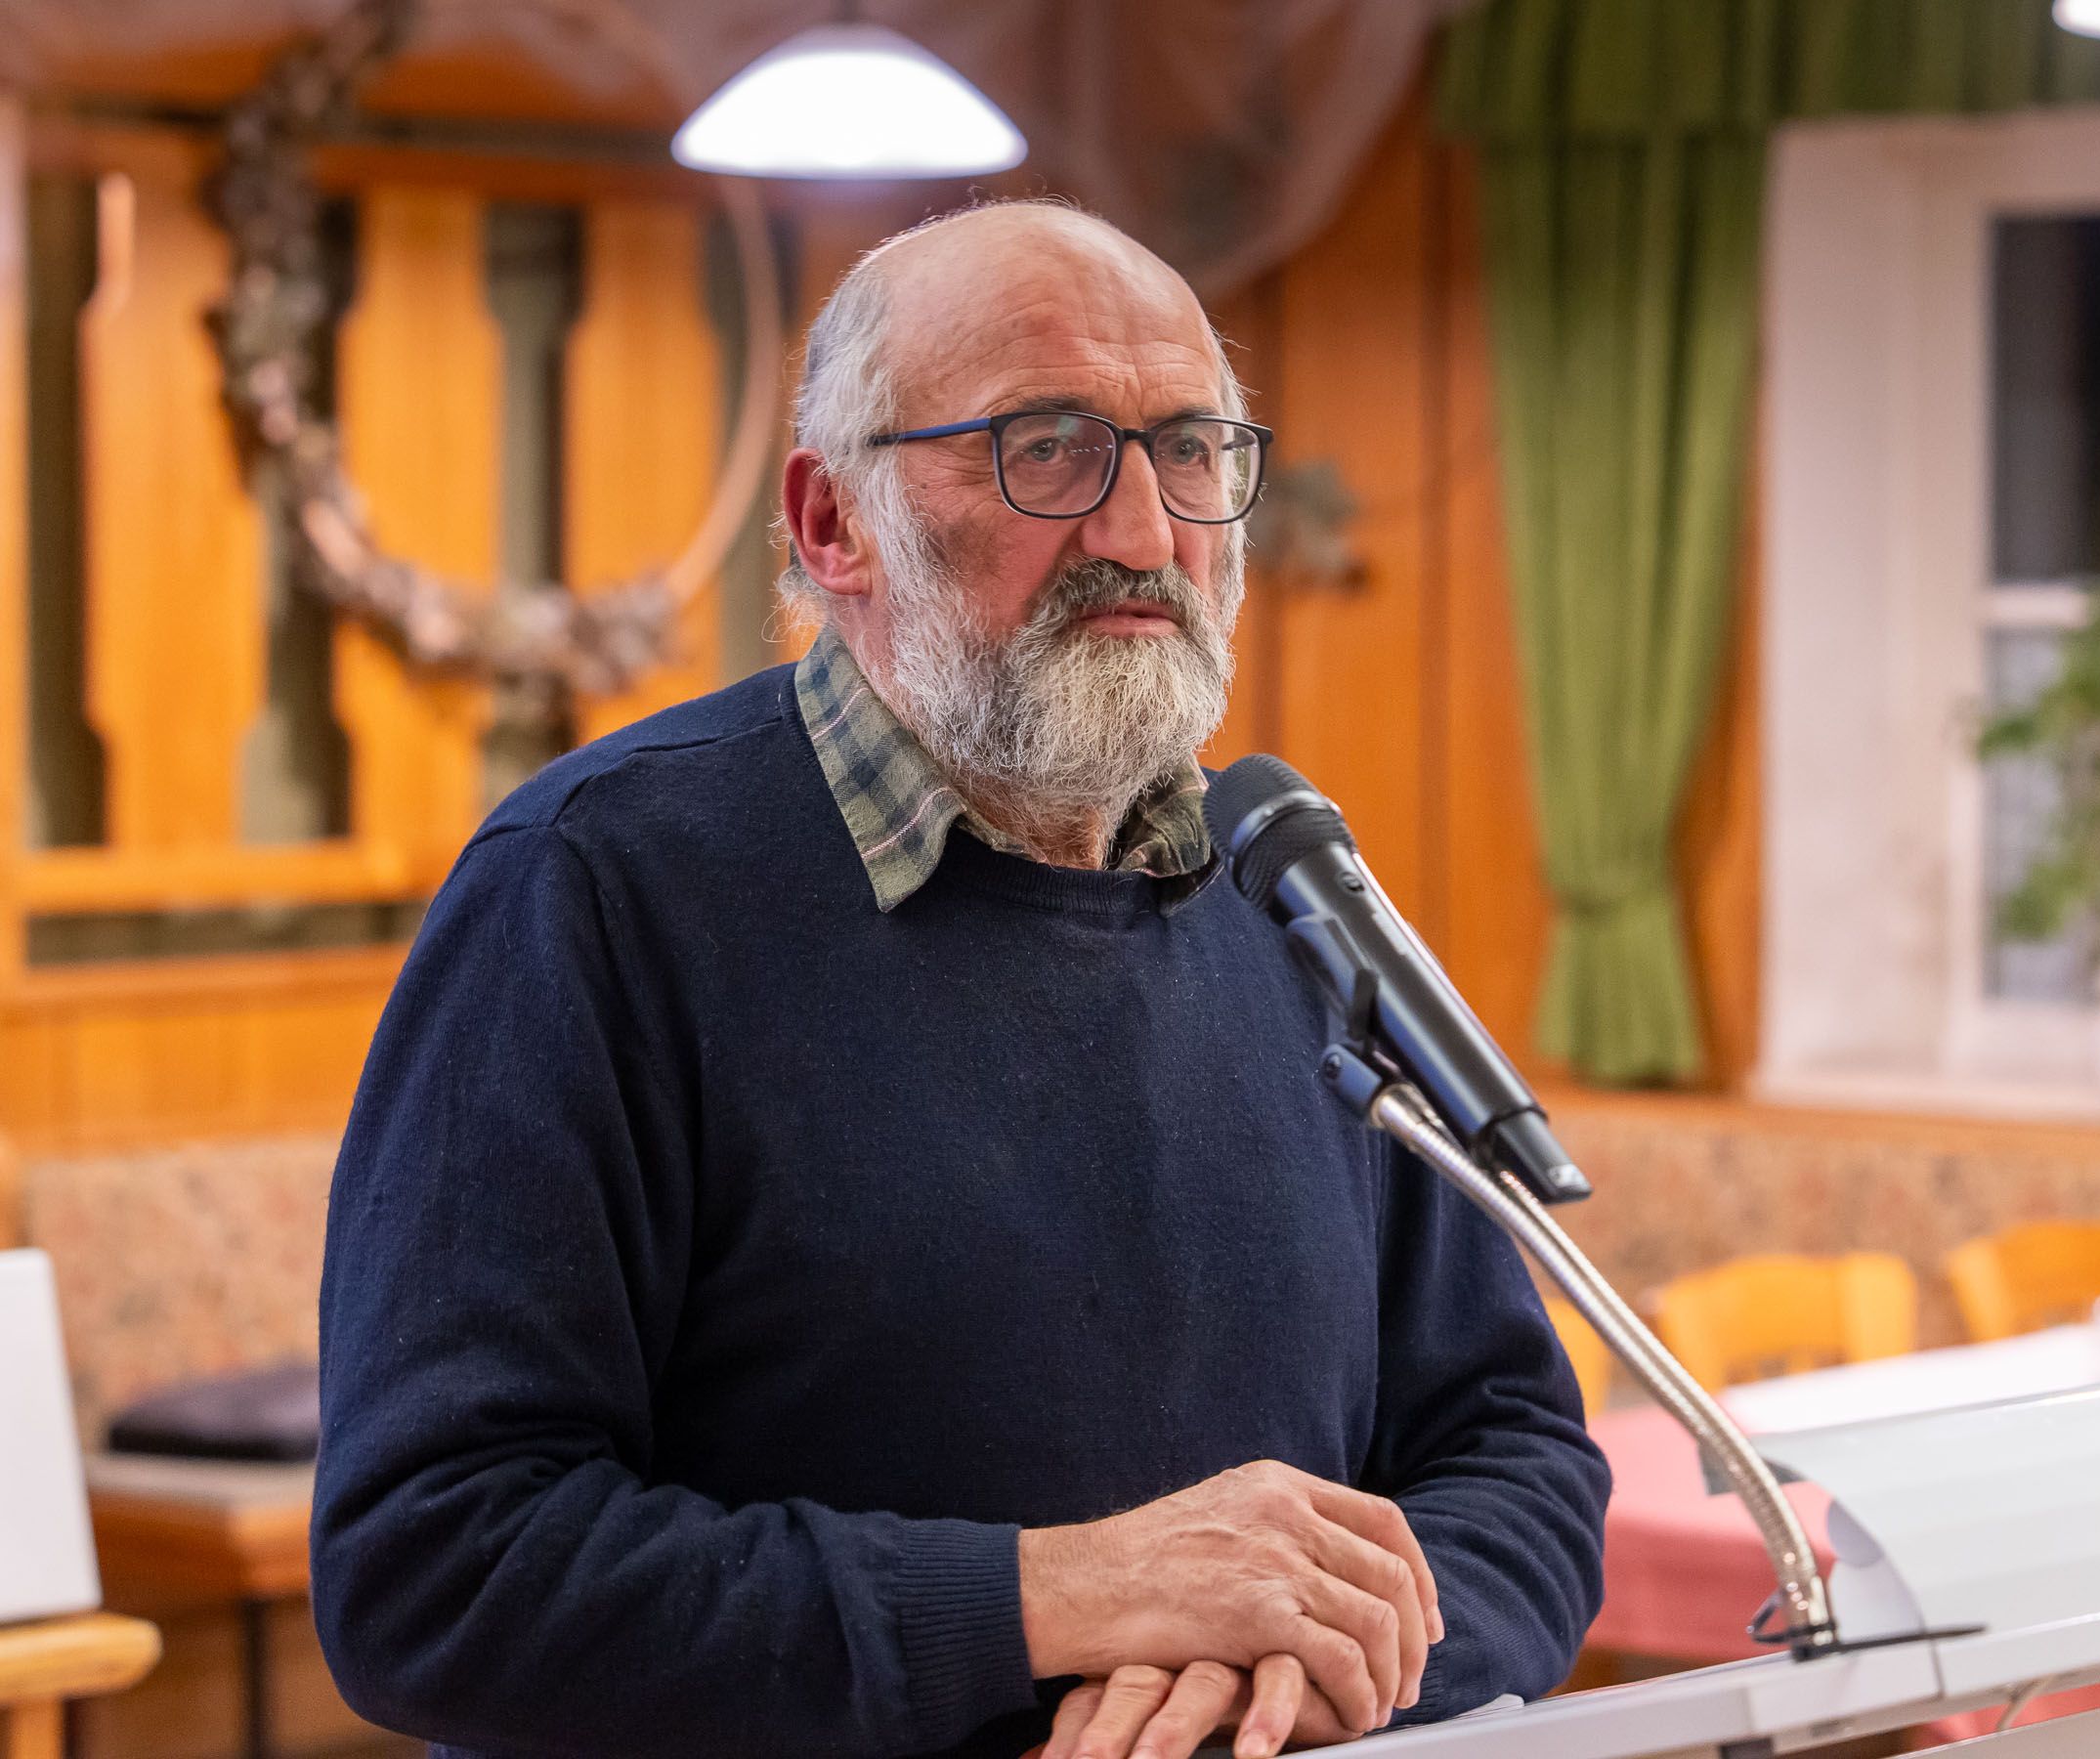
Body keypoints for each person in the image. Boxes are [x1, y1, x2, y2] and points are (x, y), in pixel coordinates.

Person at [311, 199, 1608, 1759]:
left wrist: (1304, 1659)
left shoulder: (1290, 901)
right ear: (830, 523)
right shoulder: (589, 890)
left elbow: (1515, 1450)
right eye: (1049, 447)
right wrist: (1050, 1602)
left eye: (1193, 449)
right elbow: (436, 1572)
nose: (1145, 532)